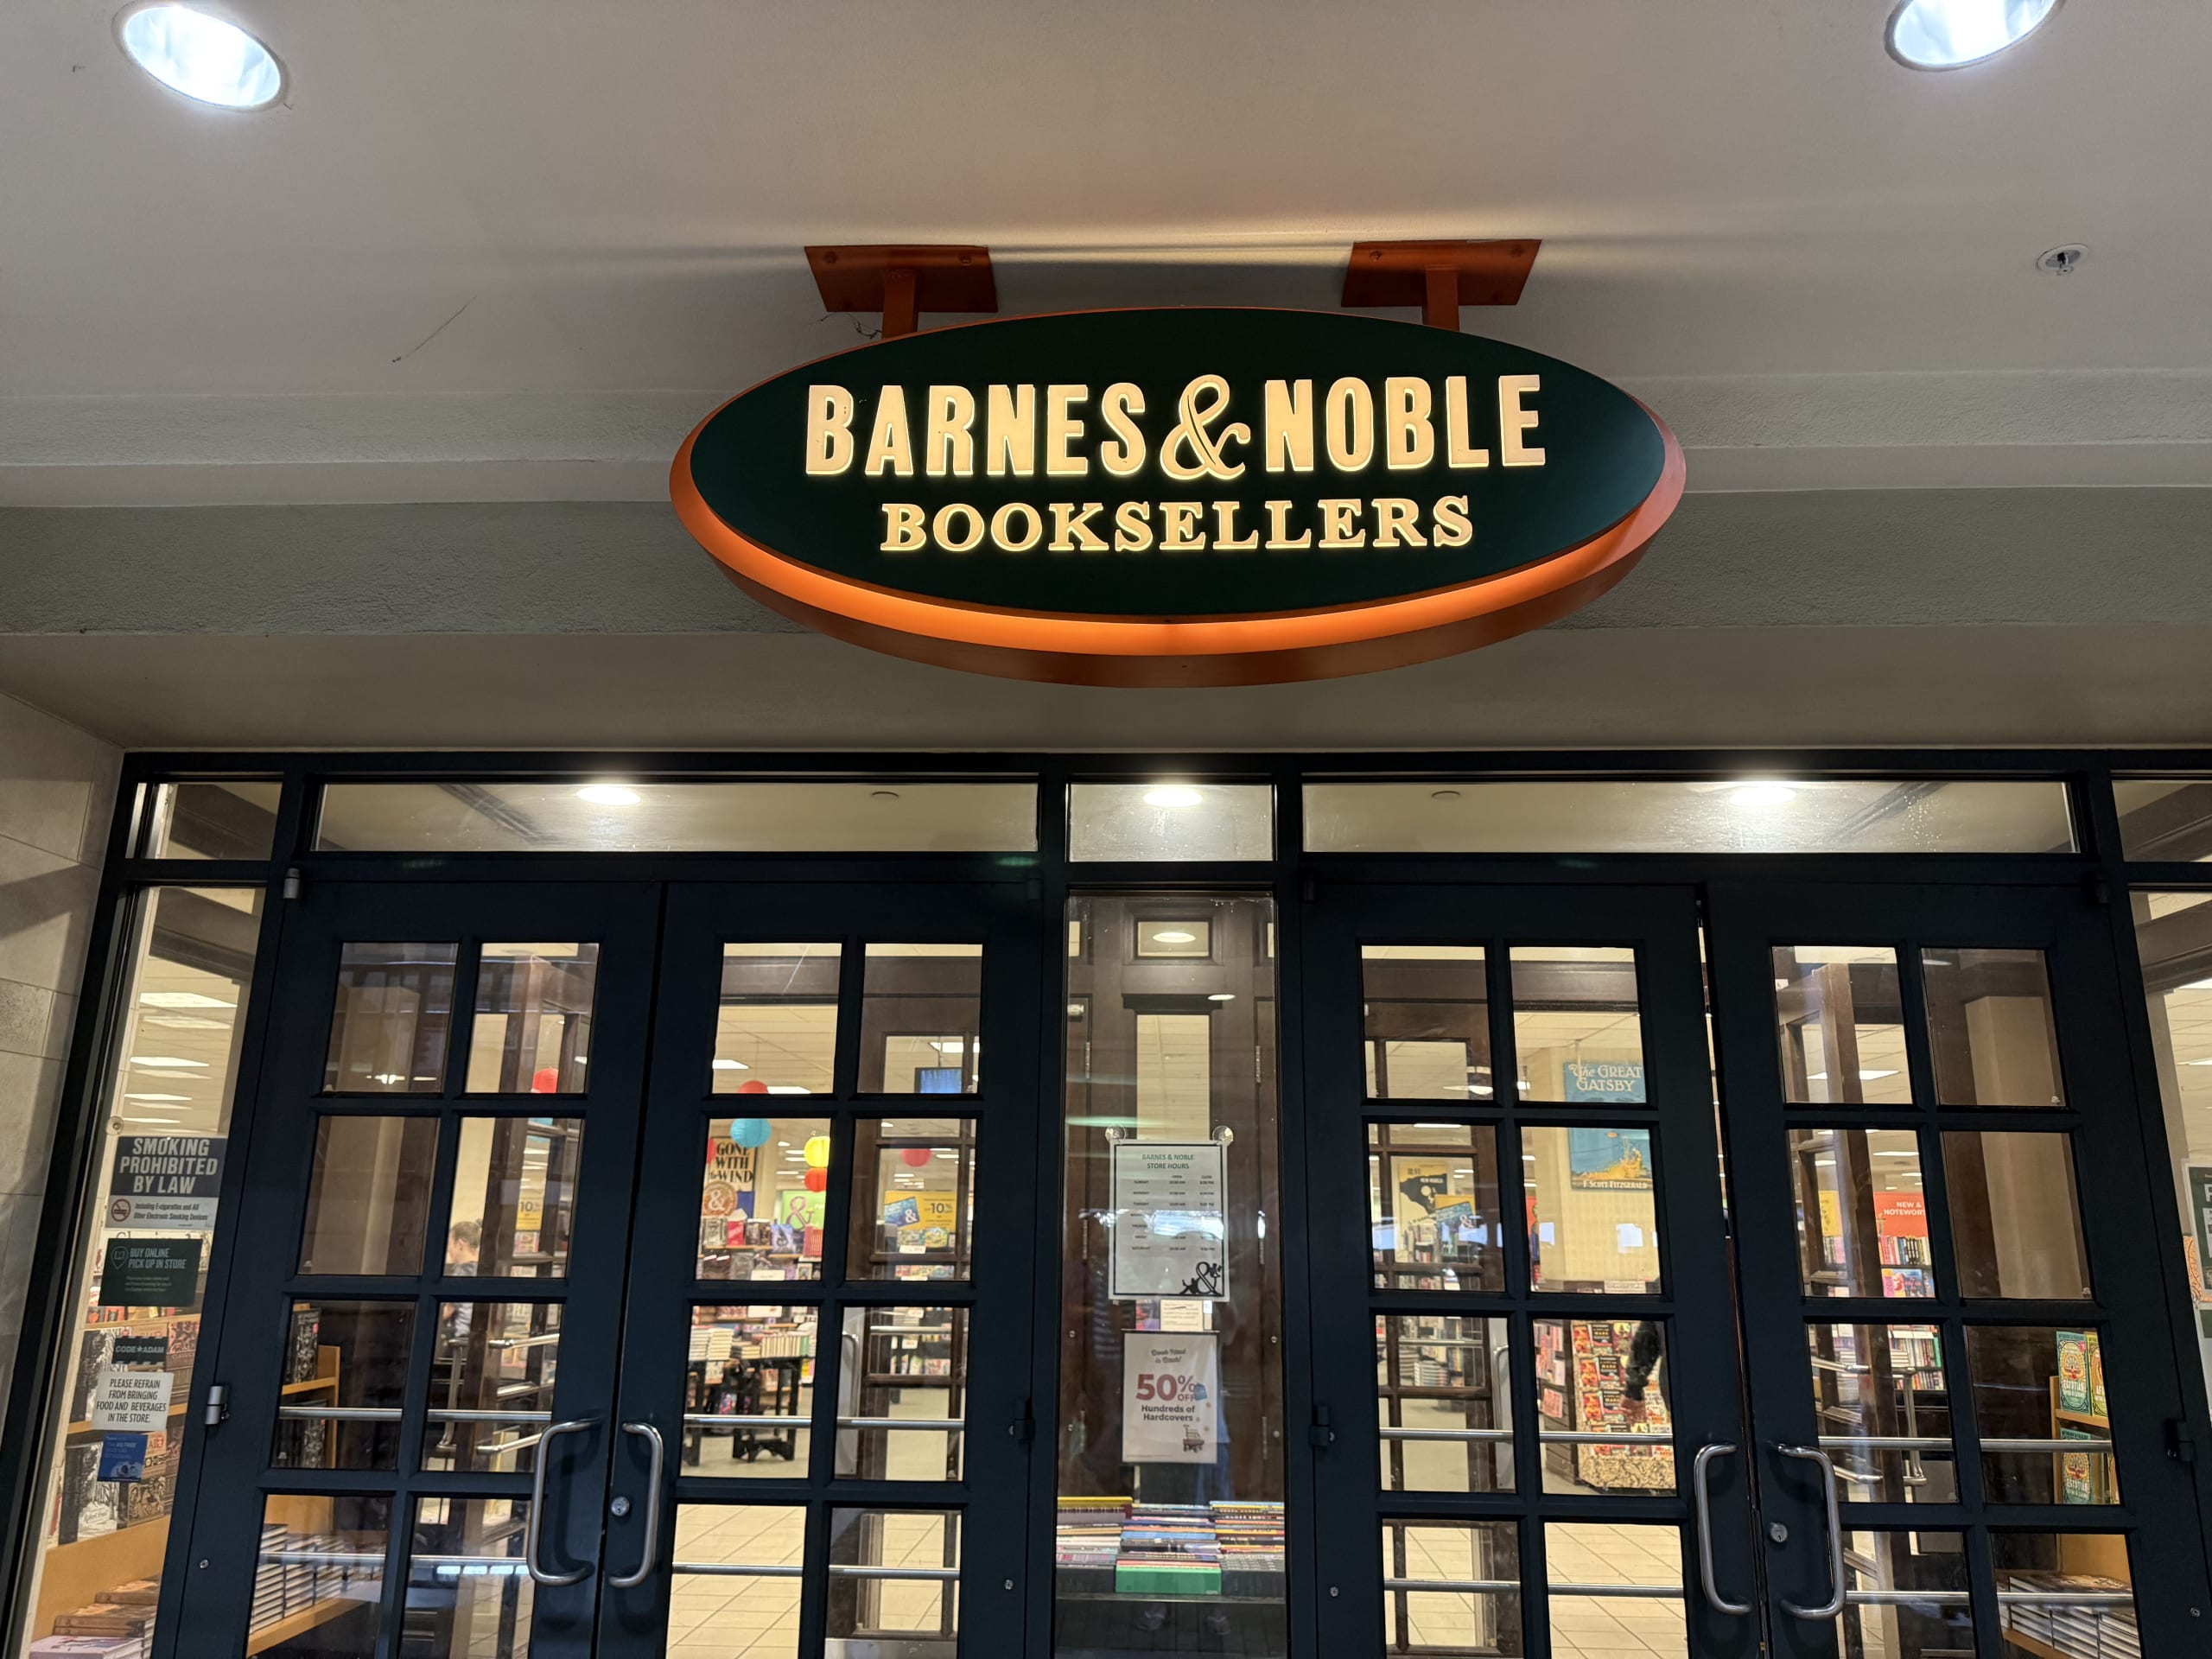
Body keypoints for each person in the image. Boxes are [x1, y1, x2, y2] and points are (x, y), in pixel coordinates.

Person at [1620, 1319, 1666, 1426]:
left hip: (1683, 1396)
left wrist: (1633, 1390)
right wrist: (1633, 1390)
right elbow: (1648, 1336)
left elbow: (1647, 1338)